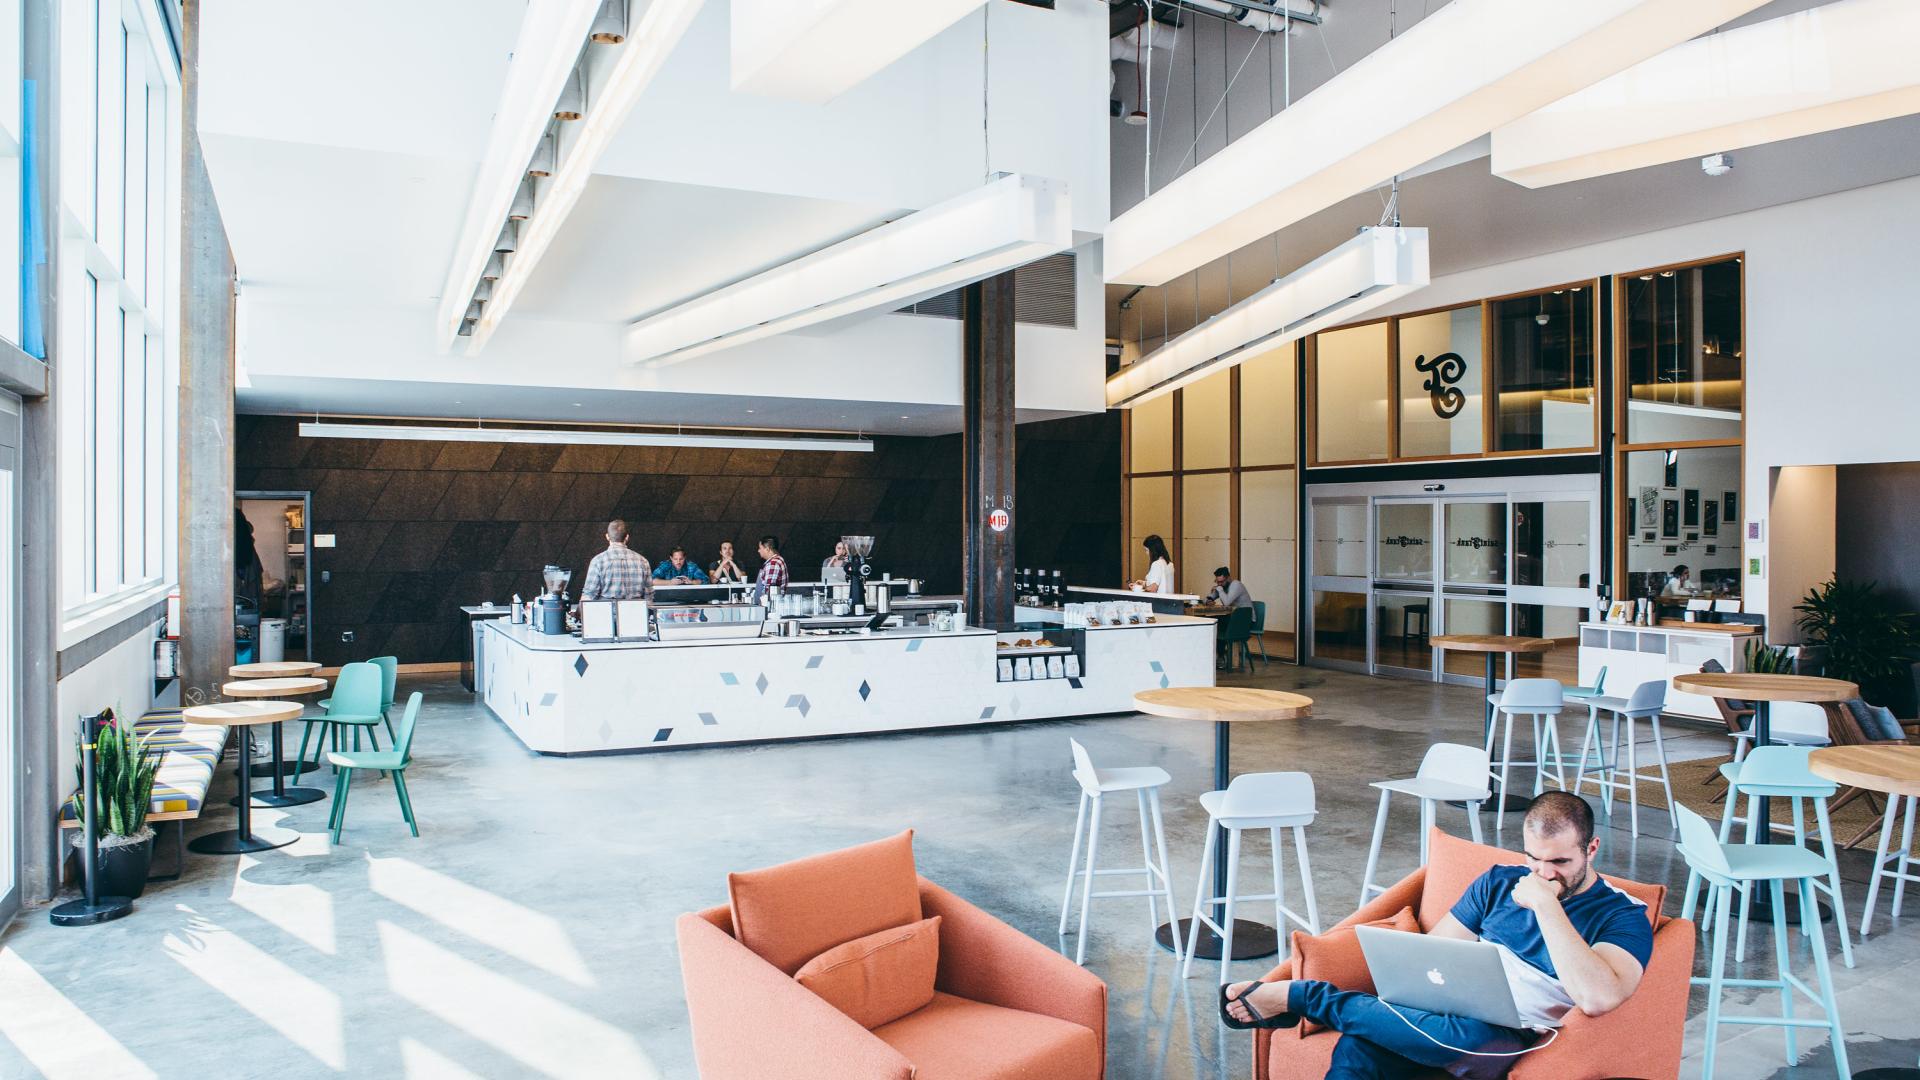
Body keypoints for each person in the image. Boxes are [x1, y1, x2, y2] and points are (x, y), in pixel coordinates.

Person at [1220, 792, 1651, 1080]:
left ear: (1591, 849)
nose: (1543, 873)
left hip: (1505, 1036)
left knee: (1467, 1042)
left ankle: (1308, 999)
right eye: (1533, 859)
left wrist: (1546, 906)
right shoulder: (1500, 882)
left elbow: (1597, 998)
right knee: (1361, 1044)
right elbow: (1435, 955)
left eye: (1559, 861)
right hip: (1449, 1016)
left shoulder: (1622, 916)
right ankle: (1337, 1009)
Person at [579, 519, 652, 601]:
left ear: (607, 536)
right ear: (627, 537)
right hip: (636, 611)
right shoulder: (642, 561)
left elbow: (589, 595)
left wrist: (578, 612)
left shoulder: (598, 561)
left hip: (607, 611)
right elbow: (648, 595)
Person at [752, 534, 789, 602]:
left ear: (767, 549)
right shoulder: (778, 560)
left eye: (760, 548)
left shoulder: (773, 564)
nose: (758, 551)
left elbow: (769, 591)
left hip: (770, 608)